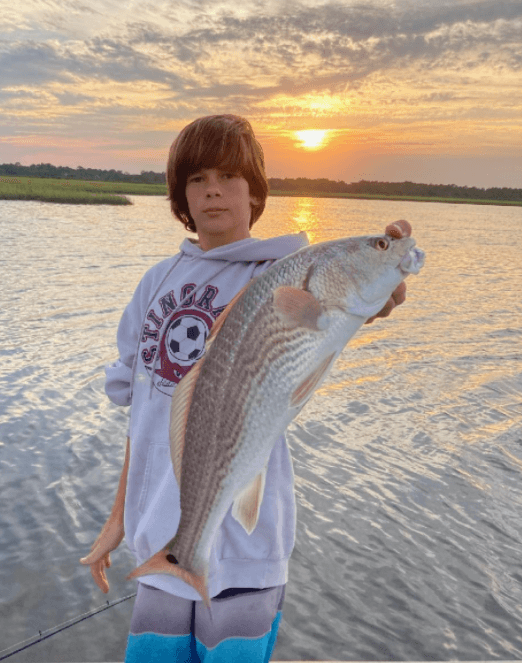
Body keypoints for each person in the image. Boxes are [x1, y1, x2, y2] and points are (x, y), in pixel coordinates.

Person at [80, 114, 406, 662]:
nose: (213, 190)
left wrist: (381, 281)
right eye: (197, 178)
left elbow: (336, 307)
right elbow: (143, 417)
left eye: (230, 176)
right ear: (180, 196)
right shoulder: (156, 282)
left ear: (254, 191)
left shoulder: (286, 270)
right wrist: (117, 522)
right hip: (163, 543)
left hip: (250, 548)